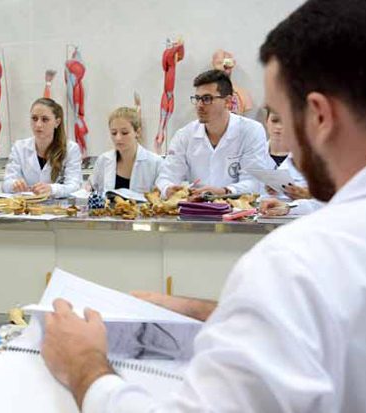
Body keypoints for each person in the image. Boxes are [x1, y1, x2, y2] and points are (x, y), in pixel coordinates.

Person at [42, 1, 366, 411]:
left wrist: (82, 364)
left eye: (282, 116)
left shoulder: (294, 264)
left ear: (319, 116)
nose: (280, 136)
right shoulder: (320, 264)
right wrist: (220, 313)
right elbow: (333, 331)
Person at [155, 69, 275, 199]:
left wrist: (223, 191)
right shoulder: (184, 135)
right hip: (195, 211)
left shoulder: (251, 131)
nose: (199, 105)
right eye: (197, 99)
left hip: (239, 212)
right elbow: (166, 177)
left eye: (207, 99)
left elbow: (254, 182)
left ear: (228, 102)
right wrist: (168, 189)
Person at [2, 97, 82, 197]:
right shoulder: (19, 147)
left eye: (45, 120)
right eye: (34, 119)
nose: (38, 125)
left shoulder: (71, 149)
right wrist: (14, 185)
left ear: (57, 122)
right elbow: (6, 184)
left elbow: (74, 186)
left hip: (59, 209)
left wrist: (52, 189)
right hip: (27, 209)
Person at [87, 106, 162, 194]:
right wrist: (87, 190)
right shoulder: (103, 160)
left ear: (137, 132)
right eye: (114, 133)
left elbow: (161, 199)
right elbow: (91, 190)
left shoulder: (155, 163)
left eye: (124, 133)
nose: (118, 138)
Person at [154, 38, 185, 153]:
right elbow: (172, 53)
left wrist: (180, 45)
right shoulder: (168, 57)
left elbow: (181, 54)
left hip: (170, 95)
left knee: (165, 122)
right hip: (166, 94)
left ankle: (159, 141)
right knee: (162, 122)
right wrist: (178, 45)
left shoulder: (173, 62)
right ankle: (159, 141)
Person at [65, 47, 89, 159]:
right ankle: (82, 151)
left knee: (78, 124)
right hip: (78, 113)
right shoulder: (77, 84)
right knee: (78, 123)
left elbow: (75, 100)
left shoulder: (78, 85)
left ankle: (83, 151)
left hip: (78, 113)